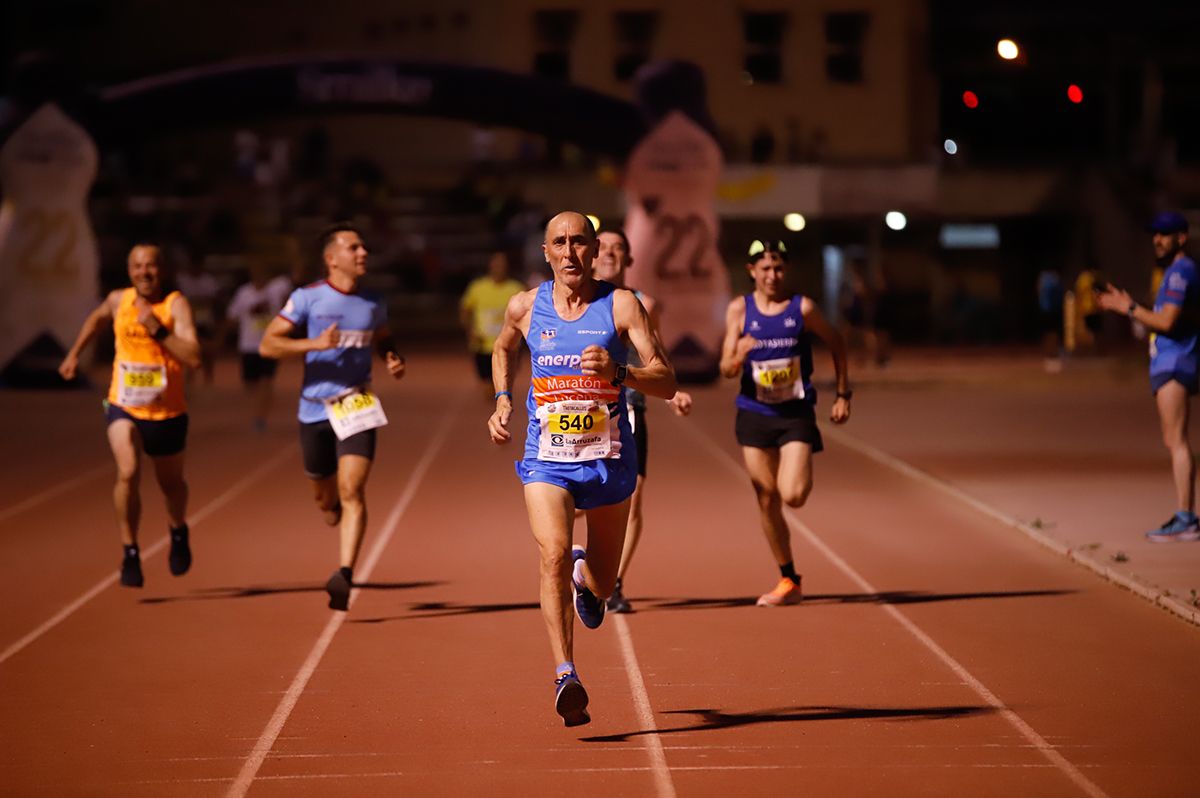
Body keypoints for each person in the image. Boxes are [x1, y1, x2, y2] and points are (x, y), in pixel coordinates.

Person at [488, 212, 677, 726]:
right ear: (545, 253)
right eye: (559, 243)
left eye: (579, 243)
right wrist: (503, 398)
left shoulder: (620, 306)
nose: (570, 252)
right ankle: (565, 674)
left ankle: (586, 580)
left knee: (602, 583)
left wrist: (619, 371)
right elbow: (502, 347)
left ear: (594, 251)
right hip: (547, 459)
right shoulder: (525, 306)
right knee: (550, 550)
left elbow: (664, 378)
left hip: (609, 460)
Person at [259, 223, 406, 609]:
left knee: (352, 489)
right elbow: (268, 345)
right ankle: (333, 508)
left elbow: (383, 336)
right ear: (331, 258)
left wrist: (391, 356)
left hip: (356, 405)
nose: (363, 254)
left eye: (364, 247)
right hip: (314, 410)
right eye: (353, 247)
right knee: (326, 502)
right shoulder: (307, 299)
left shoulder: (374, 302)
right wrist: (314, 343)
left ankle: (344, 574)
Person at [58, 243, 202, 587]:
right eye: (137, 266)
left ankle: (178, 530)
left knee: (171, 485)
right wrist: (74, 354)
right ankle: (130, 551)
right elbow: (96, 319)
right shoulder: (117, 300)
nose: (144, 273)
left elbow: (194, 356)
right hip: (124, 404)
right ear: (129, 271)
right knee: (128, 471)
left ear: (162, 269)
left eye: (150, 266)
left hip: (167, 412)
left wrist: (158, 329)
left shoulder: (174, 305)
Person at [719, 240, 851, 606]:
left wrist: (843, 394)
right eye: (765, 269)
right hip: (754, 414)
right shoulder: (739, 310)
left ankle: (788, 575)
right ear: (751, 271)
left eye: (778, 269)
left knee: (792, 495)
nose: (772, 276)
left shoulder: (802, 308)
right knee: (766, 499)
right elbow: (725, 368)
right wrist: (738, 355)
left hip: (794, 415)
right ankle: (789, 579)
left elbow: (837, 343)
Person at [590, 229, 693, 613]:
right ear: (592, 254)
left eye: (620, 248)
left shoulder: (644, 302)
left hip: (630, 406)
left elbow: (657, 356)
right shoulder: (577, 301)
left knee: (631, 502)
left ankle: (613, 583)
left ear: (629, 260)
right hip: (583, 410)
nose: (612, 253)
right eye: (605, 247)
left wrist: (673, 391)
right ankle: (579, 565)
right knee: (582, 498)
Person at [1097, 211, 1200, 542]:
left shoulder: (1181, 271)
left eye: (1165, 234)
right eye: (1154, 234)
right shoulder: (1172, 272)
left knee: (1177, 440)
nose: (1157, 239)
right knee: (1172, 439)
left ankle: (1187, 517)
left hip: (1175, 362)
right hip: (1168, 361)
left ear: (1181, 237)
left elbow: (1168, 322)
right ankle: (1185, 516)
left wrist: (1128, 308)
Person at [223, 260, 292, 430]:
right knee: (250, 384)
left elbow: (296, 275)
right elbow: (233, 315)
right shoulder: (244, 293)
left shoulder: (277, 289)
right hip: (248, 346)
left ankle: (261, 416)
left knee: (267, 381)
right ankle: (257, 409)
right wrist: (222, 337)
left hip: (270, 344)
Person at [459, 251, 525, 401]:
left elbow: (528, 315)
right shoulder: (477, 288)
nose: (499, 268)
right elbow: (465, 311)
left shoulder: (516, 288)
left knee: (504, 387)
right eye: (496, 264)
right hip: (483, 346)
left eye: (502, 265)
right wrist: (470, 331)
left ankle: (502, 412)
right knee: (489, 390)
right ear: (490, 266)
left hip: (509, 346)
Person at [174, 252, 221, 384]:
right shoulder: (182, 279)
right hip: (187, 320)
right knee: (190, 349)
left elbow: (215, 300)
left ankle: (208, 377)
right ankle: (189, 379)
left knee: (207, 351)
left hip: (205, 320)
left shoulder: (208, 280)